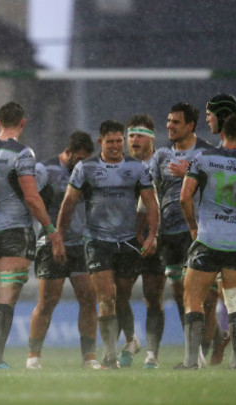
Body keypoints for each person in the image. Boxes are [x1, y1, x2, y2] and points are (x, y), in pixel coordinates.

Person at [54, 120, 160, 369]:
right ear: (101, 142)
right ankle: (110, 355)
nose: (114, 146)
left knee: (122, 297)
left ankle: (130, 339)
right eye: (109, 141)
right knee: (106, 296)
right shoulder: (85, 168)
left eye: (118, 141)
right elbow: (68, 204)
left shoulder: (137, 168)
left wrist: (152, 235)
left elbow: (151, 204)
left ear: (122, 141)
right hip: (96, 240)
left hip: (127, 241)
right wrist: (59, 235)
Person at [0, 101, 63, 370]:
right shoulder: (22, 154)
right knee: (7, 295)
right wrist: (51, 230)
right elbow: (32, 198)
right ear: (23, 122)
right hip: (14, 230)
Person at [177, 115, 236, 370]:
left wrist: (193, 226)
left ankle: (191, 361)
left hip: (208, 239)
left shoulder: (203, 158)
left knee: (192, 298)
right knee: (235, 301)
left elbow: (185, 197)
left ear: (222, 134)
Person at [25, 130, 99, 370]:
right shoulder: (44, 170)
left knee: (89, 298)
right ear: (68, 152)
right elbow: (31, 202)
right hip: (50, 244)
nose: (82, 164)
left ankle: (89, 357)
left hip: (80, 244)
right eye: (79, 159)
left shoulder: (87, 171)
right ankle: (33, 357)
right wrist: (49, 234)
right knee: (47, 301)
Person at [149, 103, 213, 345]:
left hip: (199, 231)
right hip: (170, 233)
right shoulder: (161, 156)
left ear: (190, 126)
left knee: (199, 293)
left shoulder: (207, 154)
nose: (169, 126)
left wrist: (193, 173)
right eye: (168, 121)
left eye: (176, 122)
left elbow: (220, 189)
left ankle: (203, 345)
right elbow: (149, 194)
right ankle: (196, 344)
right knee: (178, 292)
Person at [126, 114, 166, 369]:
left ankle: (152, 354)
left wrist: (154, 233)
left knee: (152, 295)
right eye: (130, 135)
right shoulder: (121, 165)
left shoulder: (162, 162)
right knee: (117, 295)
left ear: (151, 136)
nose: (134, 140)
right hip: (126, 238)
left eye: (139, 134)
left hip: (155, 238)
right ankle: (130, 340)